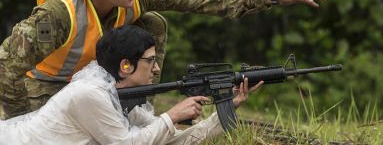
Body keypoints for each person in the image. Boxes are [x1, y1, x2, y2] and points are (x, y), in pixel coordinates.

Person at [0, 0, 330, 119]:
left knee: (153, 23)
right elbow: (5, 68)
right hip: (46, 92)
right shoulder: (58, 14)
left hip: (99, 84)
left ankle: (138, 110)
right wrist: (22, 124)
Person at [0, 25, 263, 145]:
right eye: (150, 61)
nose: (157, 68)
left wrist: (230, 105)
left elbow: (170, 140)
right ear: (125, 66)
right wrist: (172, 115)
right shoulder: (89, 93)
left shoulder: (121, 96)